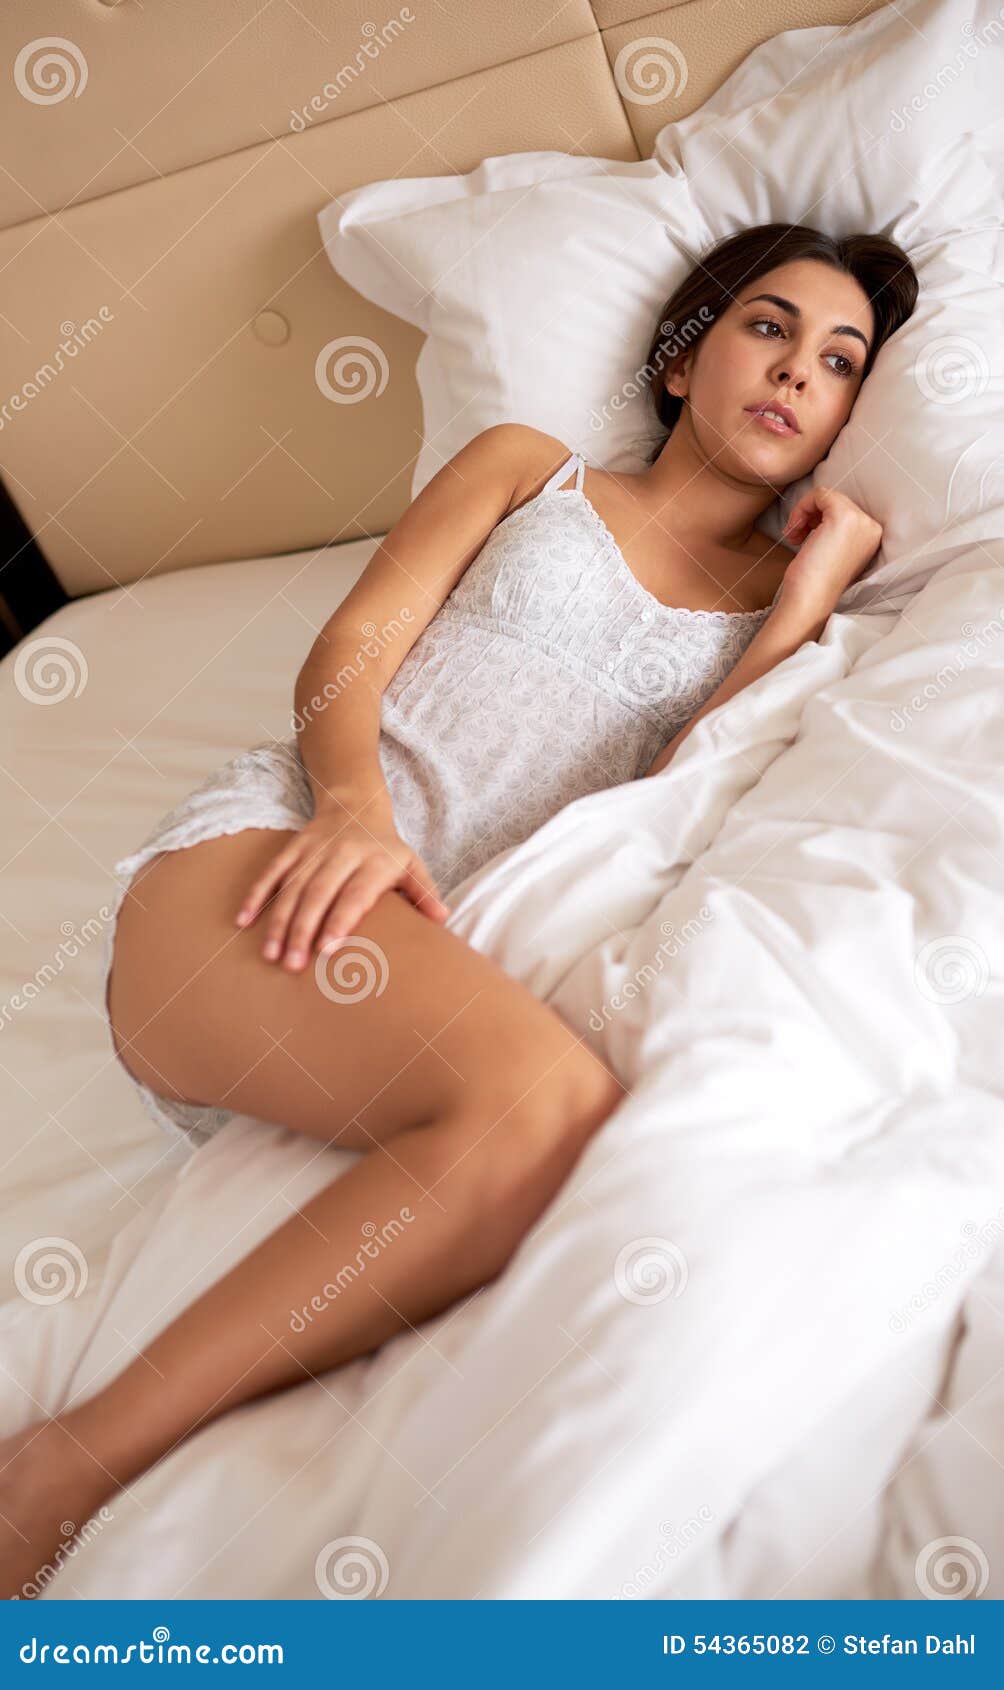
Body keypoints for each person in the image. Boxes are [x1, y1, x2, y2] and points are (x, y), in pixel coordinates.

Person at [0, 220, 918, 1598]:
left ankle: (76, 1461)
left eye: (841, 362)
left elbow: (672, 793)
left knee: (548, 1117)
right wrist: (354, 808)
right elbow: (353, 643)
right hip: (272, 852)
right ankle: (60, 1471)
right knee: (541, 1107)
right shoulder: (527, 468)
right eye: (769, 327)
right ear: (685, 358)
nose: (799, 373)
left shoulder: (766, 622)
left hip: (412, 960)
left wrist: (803, 599)